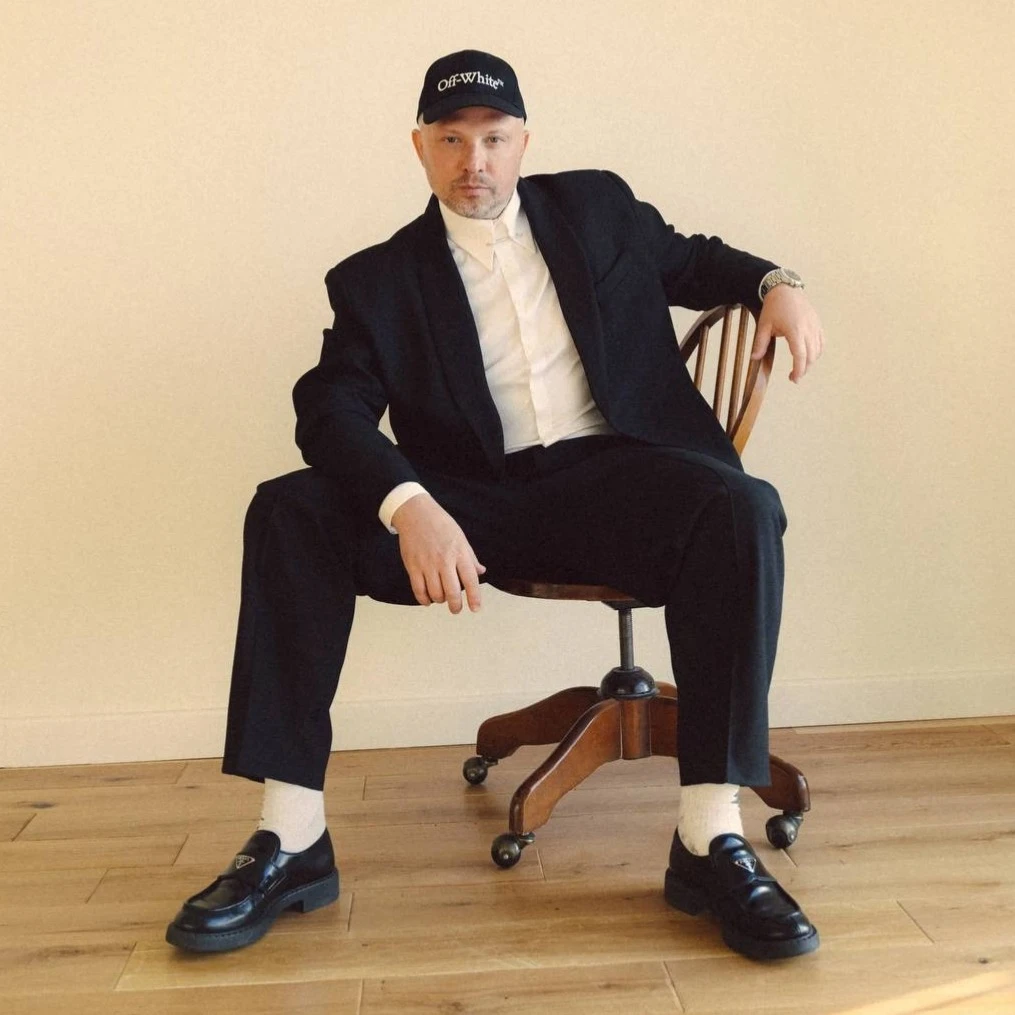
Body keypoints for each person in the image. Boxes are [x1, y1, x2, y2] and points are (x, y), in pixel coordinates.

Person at [166, 49, 825, 961]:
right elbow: (329, 409)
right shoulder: (377, 279)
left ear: (523, 142)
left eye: (492, 138)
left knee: (741, 507)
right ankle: (291, 835)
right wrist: (408, 503)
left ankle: (710, 839)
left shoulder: (597, 207)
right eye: (450, 140)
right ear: (420, 148)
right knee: (289, 510)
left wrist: (777, 284)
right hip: (469, 499)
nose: (472, 160)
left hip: (614, 479)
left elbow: (698, 260)